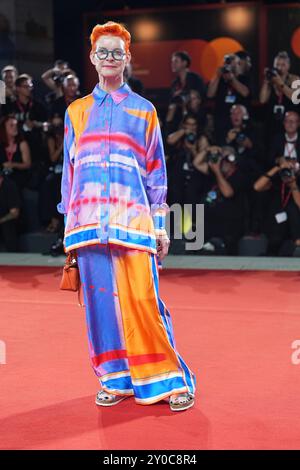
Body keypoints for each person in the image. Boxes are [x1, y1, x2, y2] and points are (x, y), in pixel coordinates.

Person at [57, 21, 196, 411]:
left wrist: (162, 227)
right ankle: (115, 379)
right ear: (92, 57)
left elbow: (157, 176)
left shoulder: (144, 111)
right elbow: (69, 174)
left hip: (133, 225)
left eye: (117, 52)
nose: (110, 58)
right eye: (103, 52)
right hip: (86, 226)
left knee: (143, 302)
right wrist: (68, 226)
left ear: (128, 59)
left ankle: (169, 381)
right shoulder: (75, 113)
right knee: (101, 310)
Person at [254, 157, 300, 255]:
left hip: (295, 230)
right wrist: (278, 167)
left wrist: (293, 185)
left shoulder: (297, 182)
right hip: (276, 229)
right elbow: (257, 187)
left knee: (292, 209)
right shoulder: (277, 181)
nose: (289, 172)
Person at [207, 53, 251, 143]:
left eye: (233, 63)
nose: (230, 66)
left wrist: (232, 79)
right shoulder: (220, 80)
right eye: (227, 63)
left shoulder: (243, 78)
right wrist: (217, 76)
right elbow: (210, 94)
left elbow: (245, 93)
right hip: (221, 120)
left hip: (238, 121)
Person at [259, 51, 300, 140]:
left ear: (288, 66)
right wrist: (266, 82)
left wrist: (280, 83)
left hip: (290, 125)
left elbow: (295, 98)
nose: (279, 67)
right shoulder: (271, 80)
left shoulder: (295, 79)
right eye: (277, 64)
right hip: (272, 124)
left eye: (283, 65)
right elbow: (262, 100)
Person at [0, 115, 31, 194]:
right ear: (4, 128)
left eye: (16, 125)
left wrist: (13, 165)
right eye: (11, 125)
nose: (14, 127)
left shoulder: (22, 143)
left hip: (18, 176)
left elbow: (27, 164)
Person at [0, 171, 20, 252]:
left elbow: (14, 213)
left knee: (7, 226)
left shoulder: (9, 186)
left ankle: (12, 254)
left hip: (9, 219)